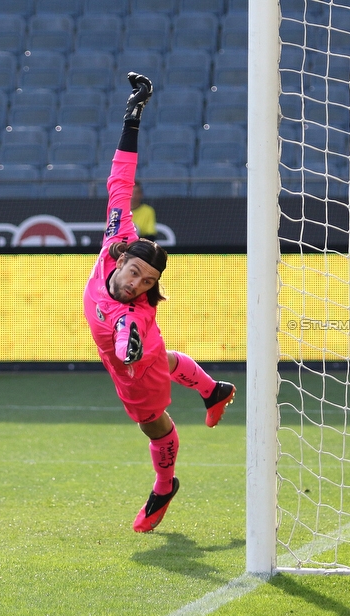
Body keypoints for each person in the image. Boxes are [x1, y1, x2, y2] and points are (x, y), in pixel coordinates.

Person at [83, 72, 236, 533]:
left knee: (152, 421)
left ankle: (165, 484)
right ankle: (212, 389)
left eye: (147, 281)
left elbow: (127, 330)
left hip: (133, 362)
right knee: (162, 358)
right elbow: (120, 179)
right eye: (135, 273)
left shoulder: (132, 313)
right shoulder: (118, 235)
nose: (136, 284)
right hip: (140, 351)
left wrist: (129, 346)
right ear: (124, 256)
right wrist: (133, 117)